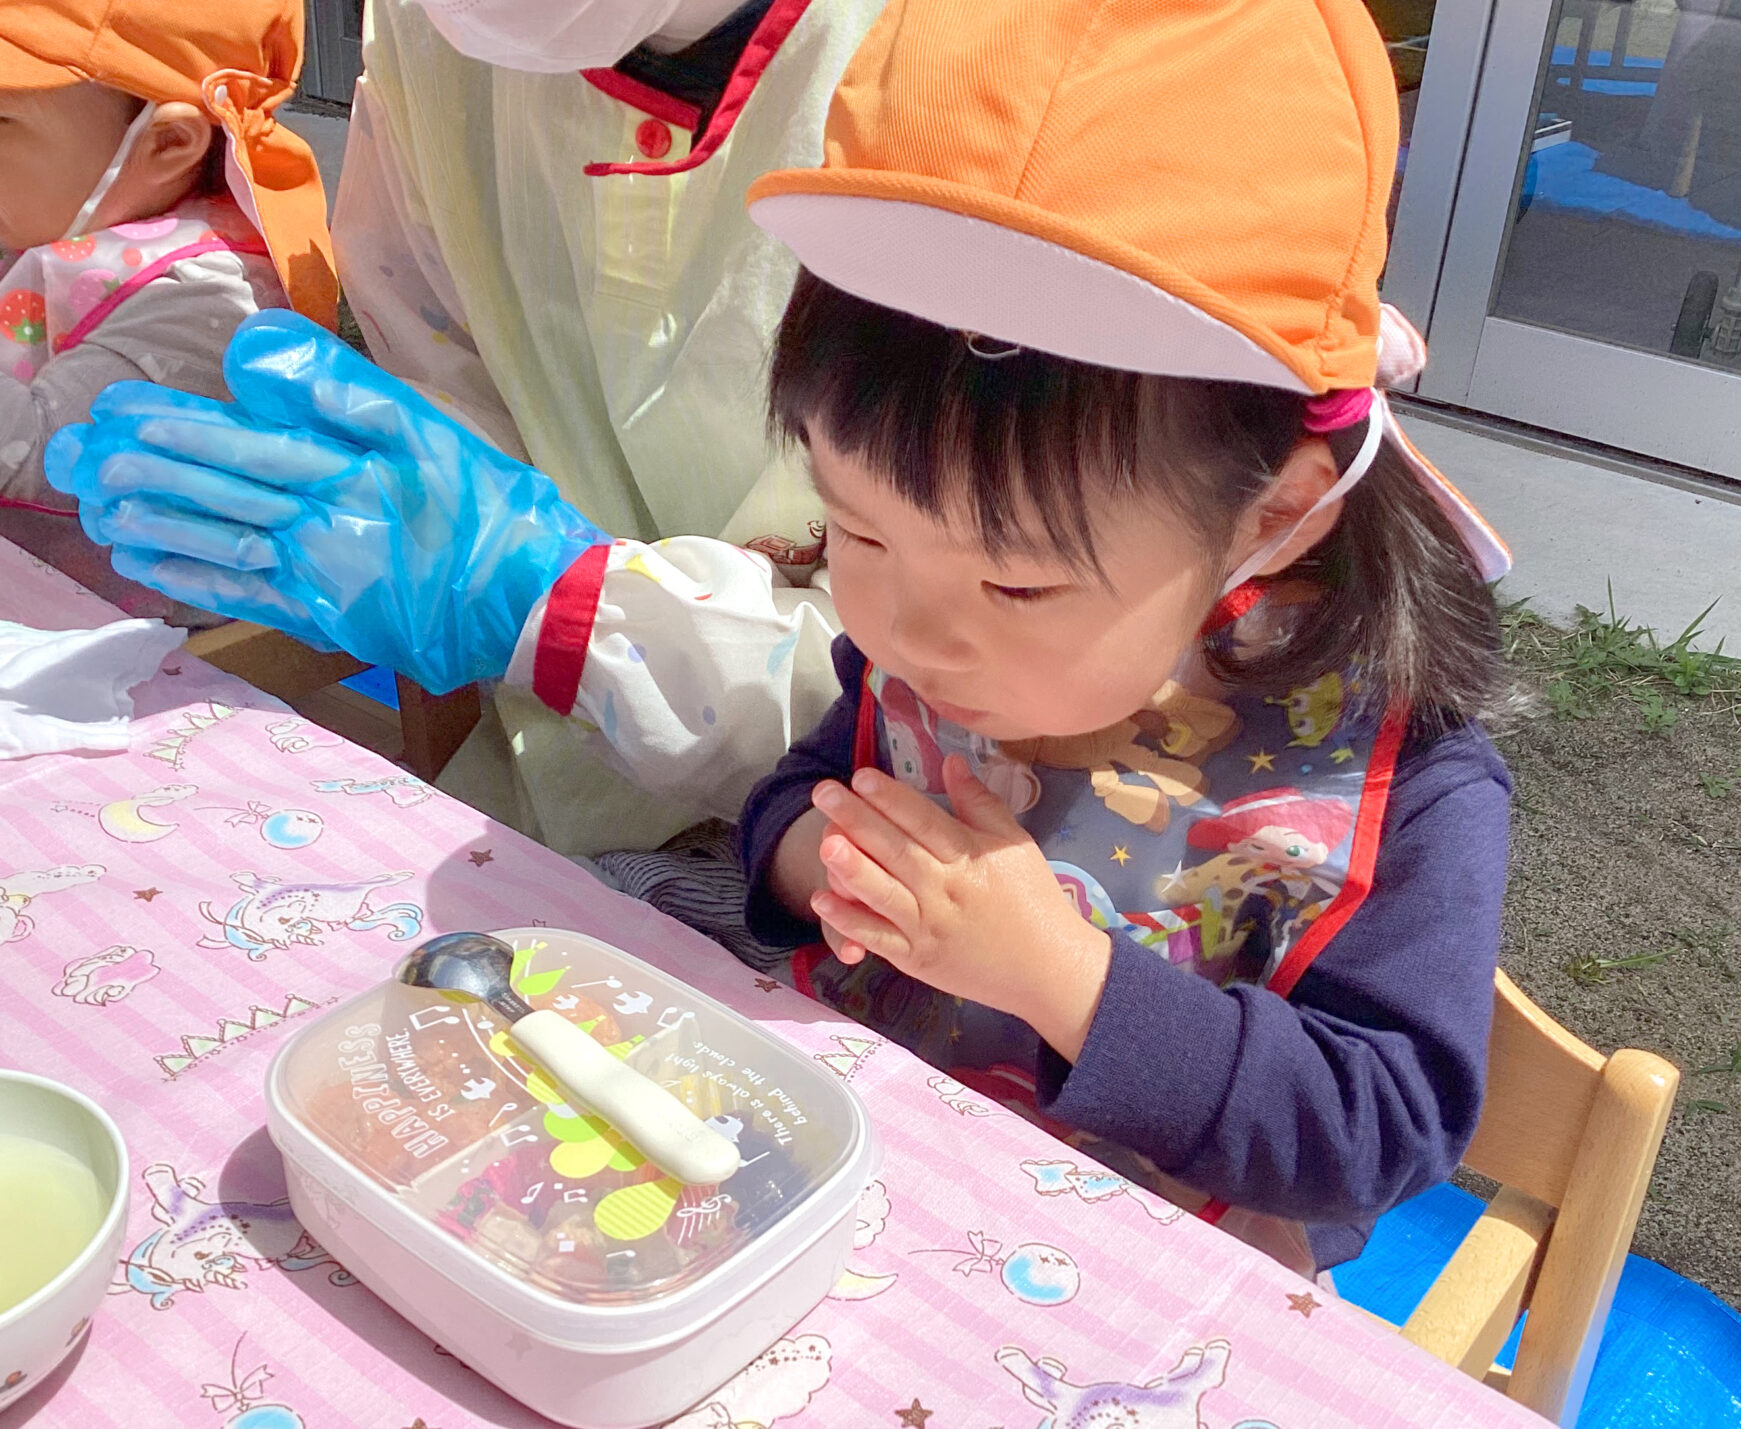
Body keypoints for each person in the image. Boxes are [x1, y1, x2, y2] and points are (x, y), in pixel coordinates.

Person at [49, 0, 1515, 1277]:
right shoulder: (928, 640)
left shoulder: (1392, 787)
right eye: (858, 532)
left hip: (1118, 1251)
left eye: (1014, 587)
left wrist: (1065, 979)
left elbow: (1376, 1131)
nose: (906, 629)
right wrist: (808, 857)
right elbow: (802, 782)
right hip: (829, 1168)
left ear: (1278, 513)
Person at [327, 0, 886, 850]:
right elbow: (433, 357)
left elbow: (976, 658)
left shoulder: (978, 56)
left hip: (884, 842)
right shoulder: (423, 34)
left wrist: (568, 607)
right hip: (548, 792)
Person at [0, 0, 334, 619]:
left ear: (167, 144)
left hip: (141, 651)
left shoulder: (205, 296)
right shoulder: (59, 218)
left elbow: (40, 463)